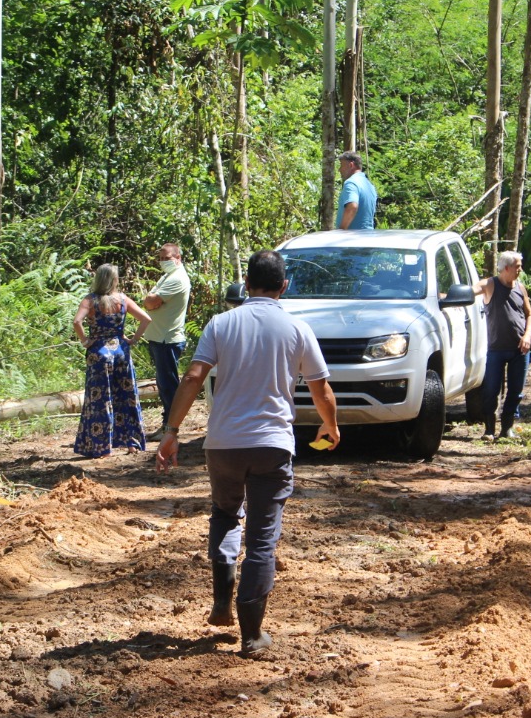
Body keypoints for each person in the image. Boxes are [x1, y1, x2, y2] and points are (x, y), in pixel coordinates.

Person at [156, 250, 339, 658]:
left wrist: (171, 432)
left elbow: (192, 376)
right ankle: (252, 634)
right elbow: (320, 388)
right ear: (284, 285)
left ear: (246, 284)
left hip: (223, 444)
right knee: (261, 539)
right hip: (272, 444)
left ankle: (222, 601)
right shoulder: (296, 328)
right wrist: (330, 424)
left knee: (225, 515)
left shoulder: (221, 324)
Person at [73, 264, 152, 457]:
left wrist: (85, 341)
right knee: (126, 396)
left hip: (98, 353)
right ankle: (131, 443)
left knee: (99, 399)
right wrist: (132, 339)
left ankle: (102, 447)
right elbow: (146, 319)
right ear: (115, 280)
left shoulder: (90, 300)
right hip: (121, 352)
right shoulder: (123, 299)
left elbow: (77, 322)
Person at [472, 251, 531, 441]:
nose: (520, 270)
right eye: (517, 266)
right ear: (506, 268)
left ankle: (507, 428)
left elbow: (530, 315)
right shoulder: (491, 284)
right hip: (496, 349)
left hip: (520, 349)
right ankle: (489, 429)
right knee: (491, 389)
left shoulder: (520, 288)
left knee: (516, 390)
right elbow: (471, 290)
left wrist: (527, 336)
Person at [142, 243, 191, 441]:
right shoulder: (167, 276)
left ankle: (170, 429)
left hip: (167, 339)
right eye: (161, 258)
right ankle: (166, 426)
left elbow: (150, 301)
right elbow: (150, 300)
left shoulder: (177, 278)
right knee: (164, 385)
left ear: (177, 258)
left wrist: (151, 302)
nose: (163, 262)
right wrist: (151, 301)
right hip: (159, 338)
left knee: (169, 386)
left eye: (167, 258)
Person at [335, 151, 378, 230]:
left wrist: (341, 231)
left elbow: (352, 206)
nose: (339, 170)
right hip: (368, 236)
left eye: (341, 165)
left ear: (351, 165)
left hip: (352, 238)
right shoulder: (370, 186)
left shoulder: (351, 183)